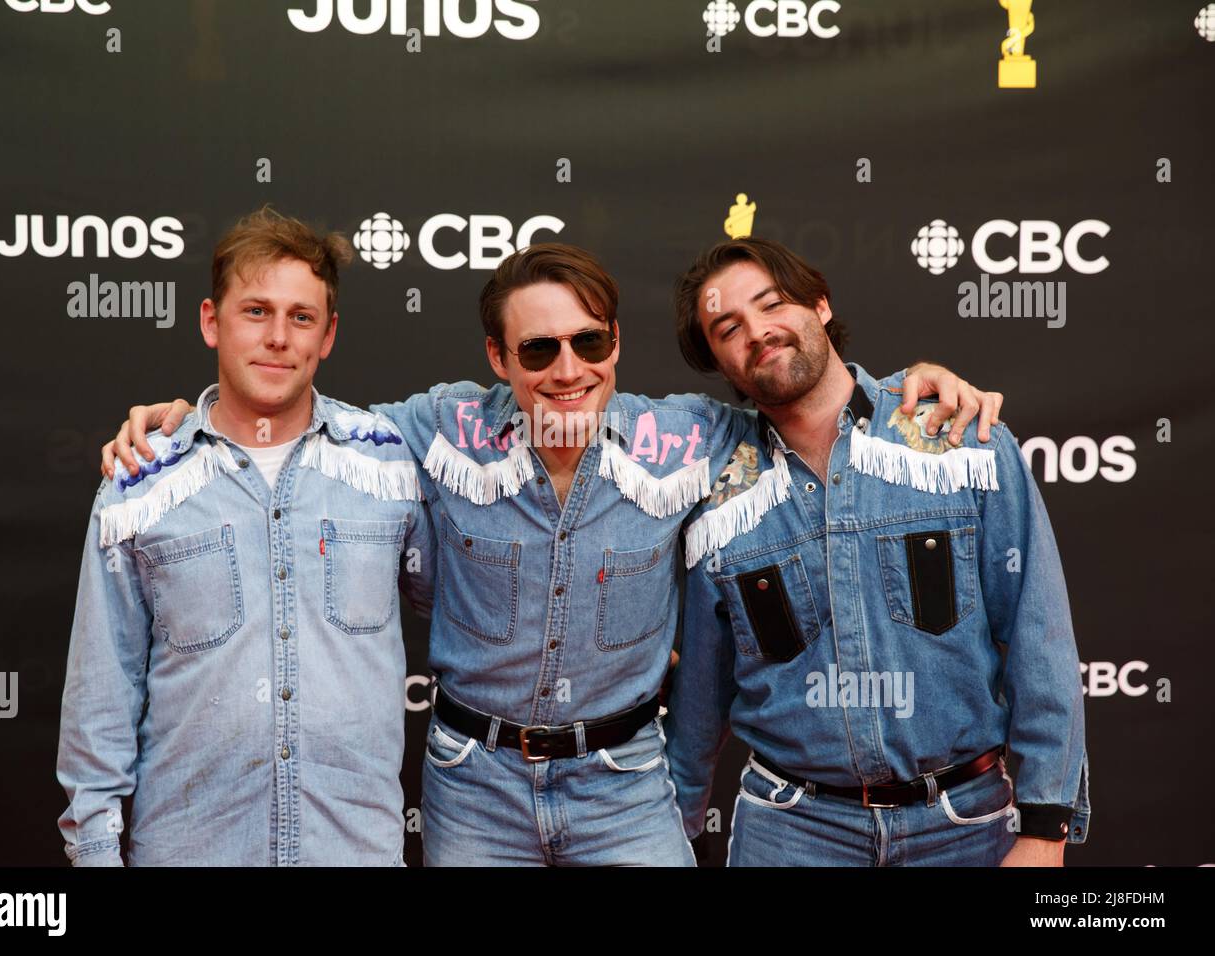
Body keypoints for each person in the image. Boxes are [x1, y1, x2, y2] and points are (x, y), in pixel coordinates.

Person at [101, 242, 1001, 866]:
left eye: (590, 341)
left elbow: (800, 395)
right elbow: (299, 416)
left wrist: (910, 390)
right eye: (538, 347)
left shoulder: (691, 440)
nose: (567, 367)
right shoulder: (430, 431)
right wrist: (188, 420)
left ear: (617, 346)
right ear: (499, 358)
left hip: (627, 787)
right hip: (473, 783)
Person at [664, 237, 1089, 866]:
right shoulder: (719, 498)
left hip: (966, 825)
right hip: (791, 832)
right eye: (729, 327)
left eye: (772, 303)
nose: (758, 332)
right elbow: (702, 693)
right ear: (719, 364)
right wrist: (675, 831)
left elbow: (1040, 638)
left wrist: (1046, 825)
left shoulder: (957, 438)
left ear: (821, 304)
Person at [57, 208, 435, 866]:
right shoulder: (140, 486)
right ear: (211, 321)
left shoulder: (389, 466)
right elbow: (101, 696)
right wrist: (94, 852)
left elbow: (470, 604)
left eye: (301, 317)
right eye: (256, 312)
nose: (278, 338)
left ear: (329, 334)